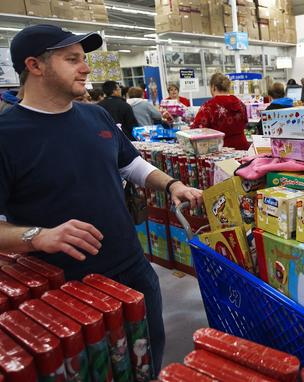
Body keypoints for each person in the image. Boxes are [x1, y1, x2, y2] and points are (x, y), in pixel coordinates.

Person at [0, 24, 203, 376]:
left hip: (132, 267)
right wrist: (38, 236)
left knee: (147, 359)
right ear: (34, 66)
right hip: (67, 289)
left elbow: (131, 164)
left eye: (83, 58)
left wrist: (171, 184)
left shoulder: (95, 115)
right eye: (72, 59)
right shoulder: (7, 135)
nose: (86, 67)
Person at [191, 73, 250, 150]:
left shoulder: (208, 106)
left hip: (221, 150)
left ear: (213, 87)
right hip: (242, 147)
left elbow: (197, 129)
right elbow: (245, 122)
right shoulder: (240, 103)